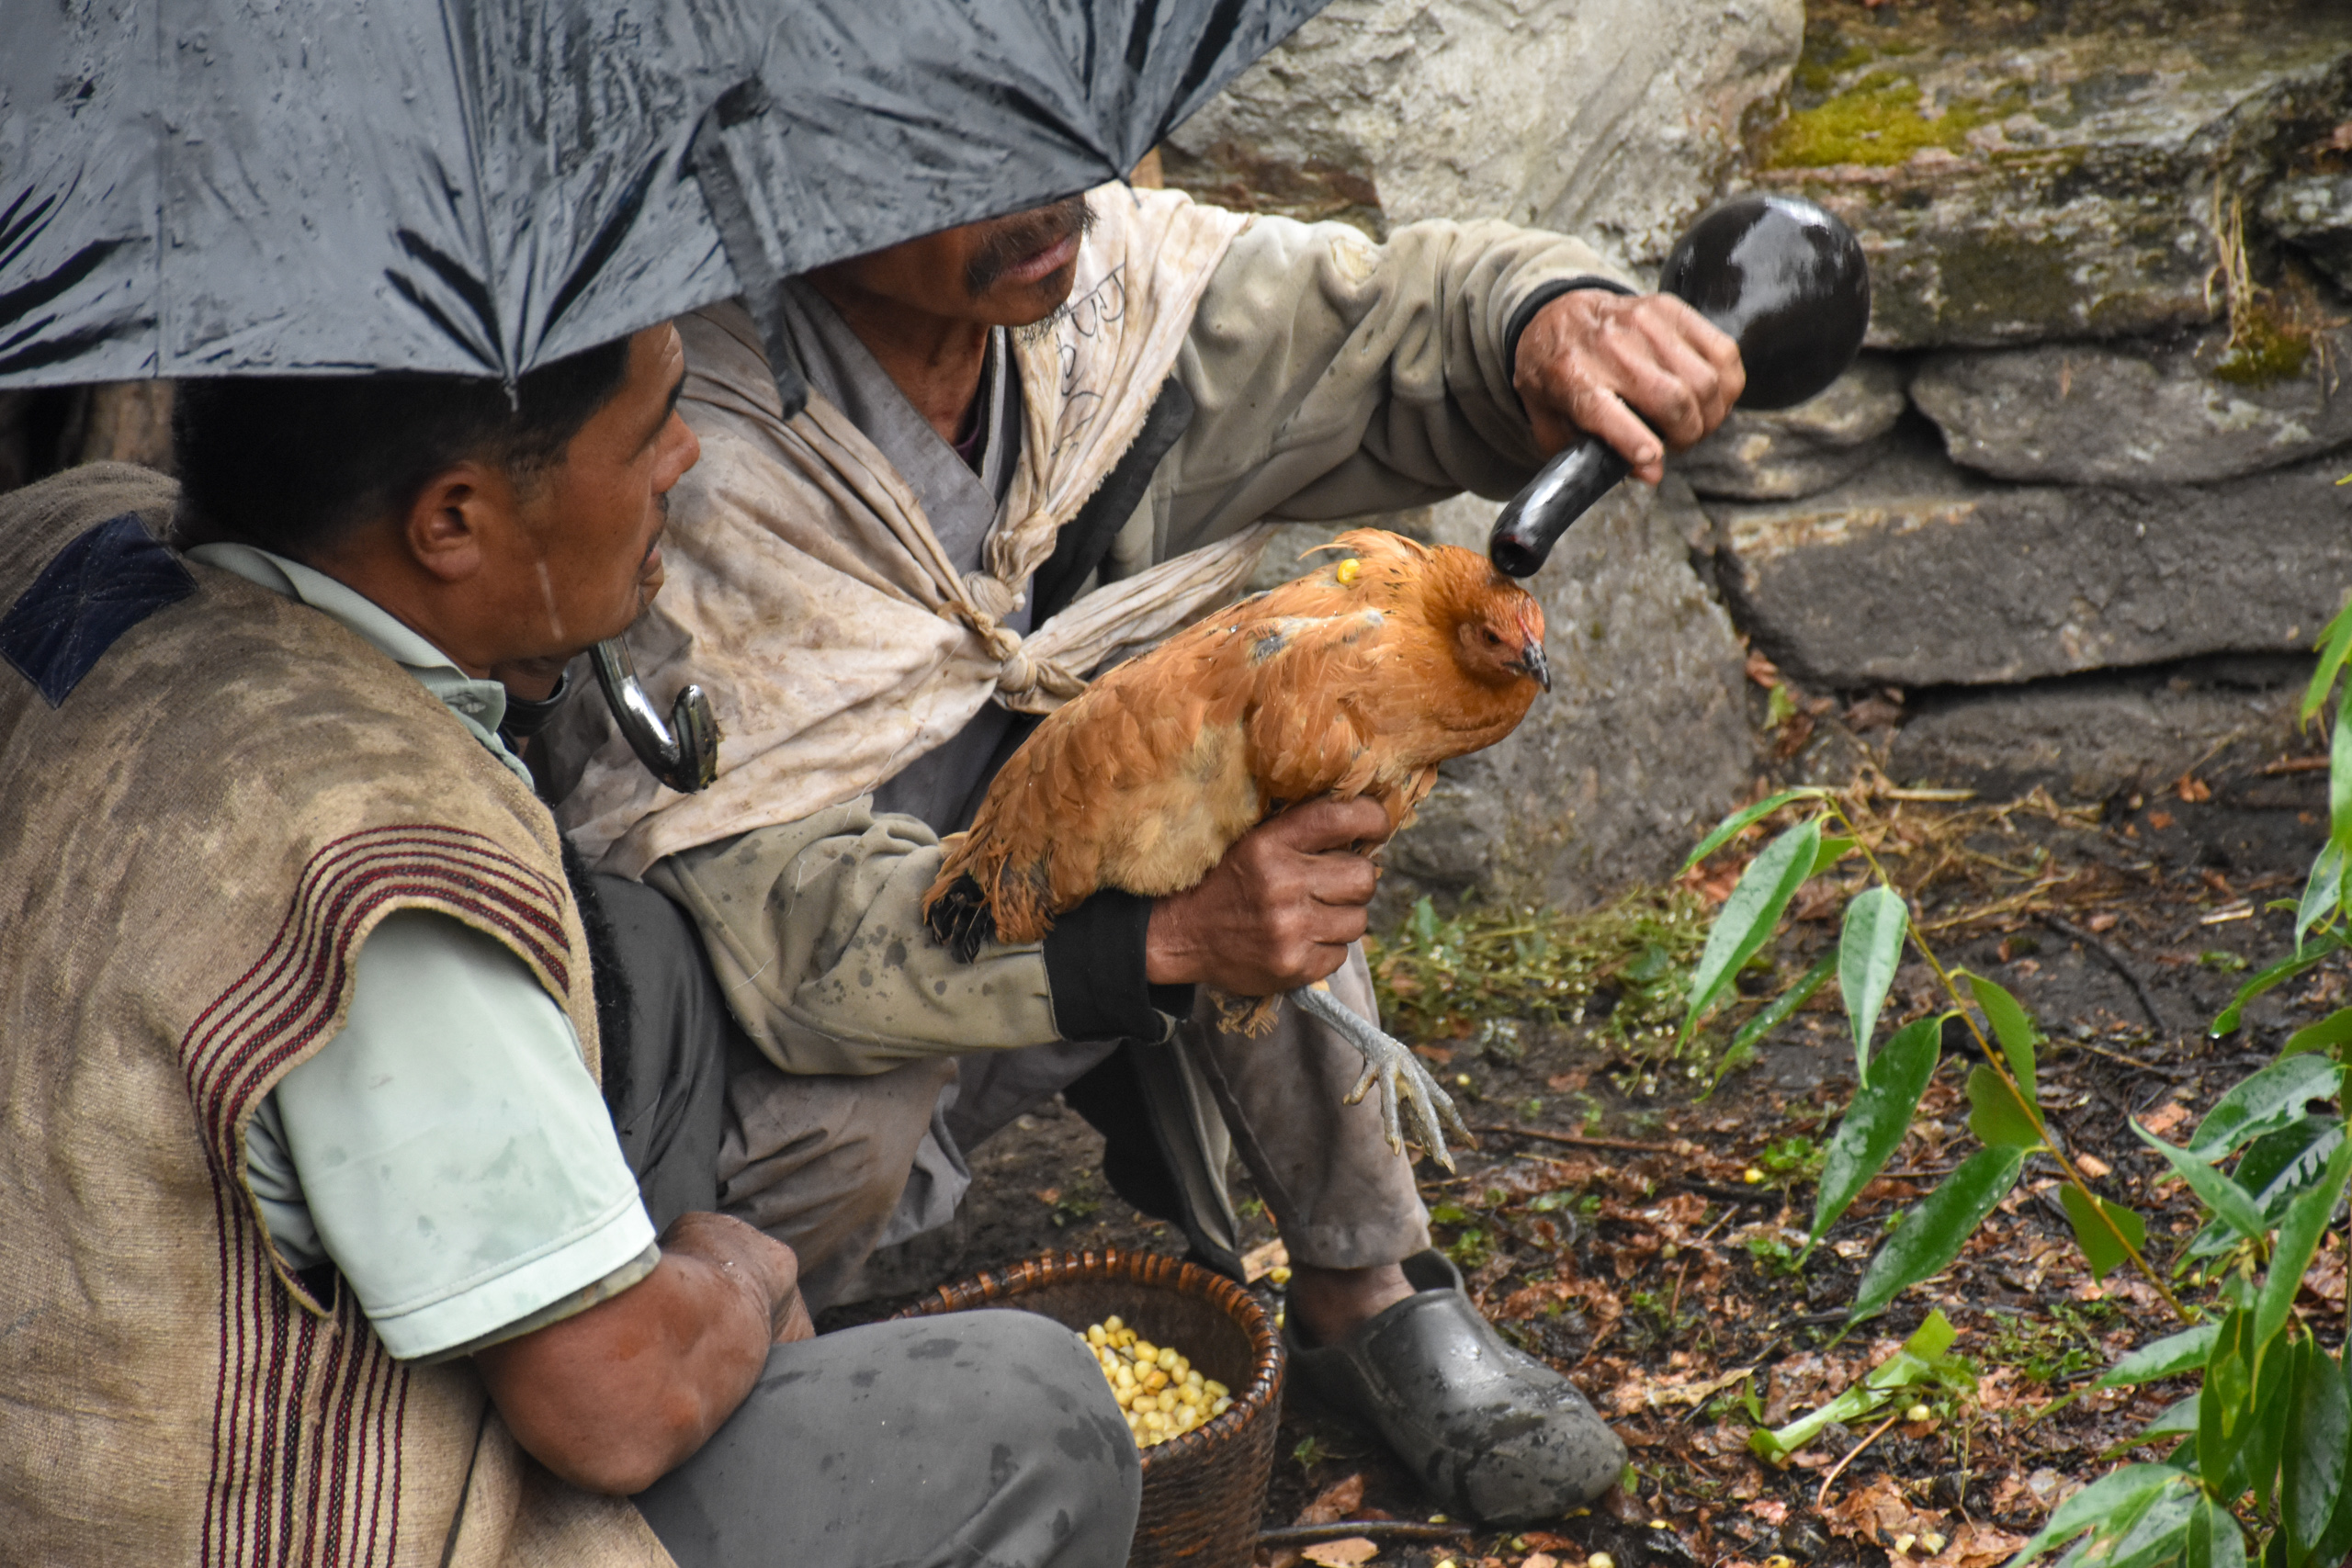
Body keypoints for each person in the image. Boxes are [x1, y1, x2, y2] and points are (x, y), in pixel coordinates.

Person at [542, 182, 1743, 1525]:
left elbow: (1377, 320)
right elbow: (765, 925)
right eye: (963, 169)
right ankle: (783, 1386)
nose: (1046, 198)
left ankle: (1368, 1295)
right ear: (819, 175)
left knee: (1275, 749)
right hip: (827, 1001)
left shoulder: (1093, 297)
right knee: (839, 1133)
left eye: (1049, 140)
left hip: (1093, 864)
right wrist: (1159, 944)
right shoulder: (690, 443)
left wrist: (1551, 324)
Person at [0, 326, 1137, 1567]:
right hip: (249, 1516)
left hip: (75, 1328)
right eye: (652, 429)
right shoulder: (370, 861)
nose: (685, 457)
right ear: (452, 524)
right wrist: (738, 1279)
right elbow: (610, 1406)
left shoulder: (66, 534)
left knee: (640, 949)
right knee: (1033, 1411)